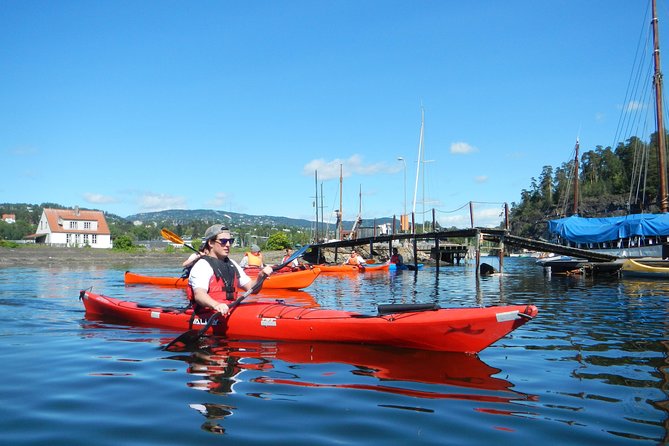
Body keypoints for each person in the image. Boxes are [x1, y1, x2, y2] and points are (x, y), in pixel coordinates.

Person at [188, 224, 273, 317]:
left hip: (229, 309)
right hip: (208, 312)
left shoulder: (232, 263)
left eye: (230, 241)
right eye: (223, 241)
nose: (228, 245)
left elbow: (252, 289)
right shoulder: (202, 265)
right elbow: (199, 295)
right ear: (211, 243)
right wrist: (216, 305)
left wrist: (261, 276)